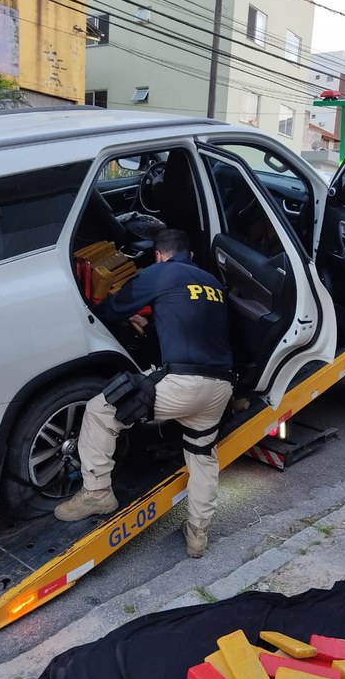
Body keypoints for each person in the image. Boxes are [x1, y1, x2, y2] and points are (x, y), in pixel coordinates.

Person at [54, 229, 234, 558]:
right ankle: (198, 533)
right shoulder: (213, 283)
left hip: (182, 384)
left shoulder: (162, 272)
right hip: (220, 387)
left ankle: (97, 493)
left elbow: (110, 311)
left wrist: (130, 317)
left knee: (100, 412)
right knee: (202, 455)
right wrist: (151, 327)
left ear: (159, 255)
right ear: (190, 255)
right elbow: (190, 326)